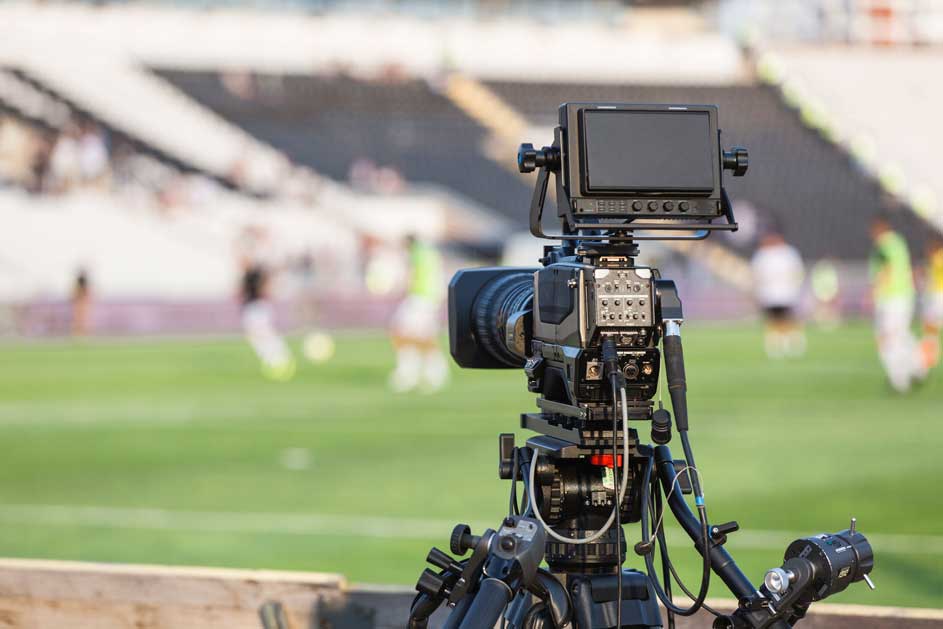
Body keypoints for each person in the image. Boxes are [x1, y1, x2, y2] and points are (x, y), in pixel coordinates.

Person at [869, 214, 926, 393]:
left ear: (880, 228)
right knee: (901, 335)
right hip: (904, 296)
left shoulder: (884, 245)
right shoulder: (899, 243)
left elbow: (886, 269)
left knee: (887, 339)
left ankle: (899, 379)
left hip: (890, 298)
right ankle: (918, 366)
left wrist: (874, 290)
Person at [389, 234, 448, 393]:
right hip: (429, 298)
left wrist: (399, 288)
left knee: (405, 333)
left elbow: (412, 276)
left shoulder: (417, 254)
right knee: (416, 334)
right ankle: (418, 371)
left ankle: (417, 372)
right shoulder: (430, 253)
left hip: (420, 298)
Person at [237, 228, 295, 381]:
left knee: (261, 333)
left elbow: (266, 285)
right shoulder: (250, 273)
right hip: (253, 307)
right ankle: (274, 356)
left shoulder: (256, 272)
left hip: (257, 307)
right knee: (259, 334)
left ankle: (277, 356)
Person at [750, 228, 806, 358]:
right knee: (773, 320)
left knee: (787, 319)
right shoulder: (763, 254)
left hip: (786, 293)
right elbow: (757, 274)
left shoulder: (788, 253)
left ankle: (792, 343)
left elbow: (797, 272)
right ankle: (776, 344)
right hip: (769, 294)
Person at [920, 236, 943, 370]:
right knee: (931, 329)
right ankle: (930, 356)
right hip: (936, 297)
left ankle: (929, 358)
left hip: (938, 298)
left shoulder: (938, 257)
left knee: (930, 329)